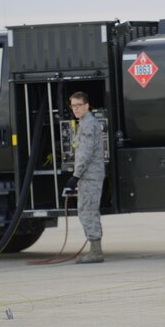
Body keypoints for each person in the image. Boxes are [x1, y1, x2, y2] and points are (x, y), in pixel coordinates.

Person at [65, 92, 106, 263]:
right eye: (73, 106)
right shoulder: (84, 123)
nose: (75, 109)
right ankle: (94, 249)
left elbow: (85, 154)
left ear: (86, 105)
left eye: (78, 105)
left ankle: (96, 252)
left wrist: (75, 176)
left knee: (87, 211)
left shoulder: (88, 124)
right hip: (88, 176)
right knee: (86, 211)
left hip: (89, 176)